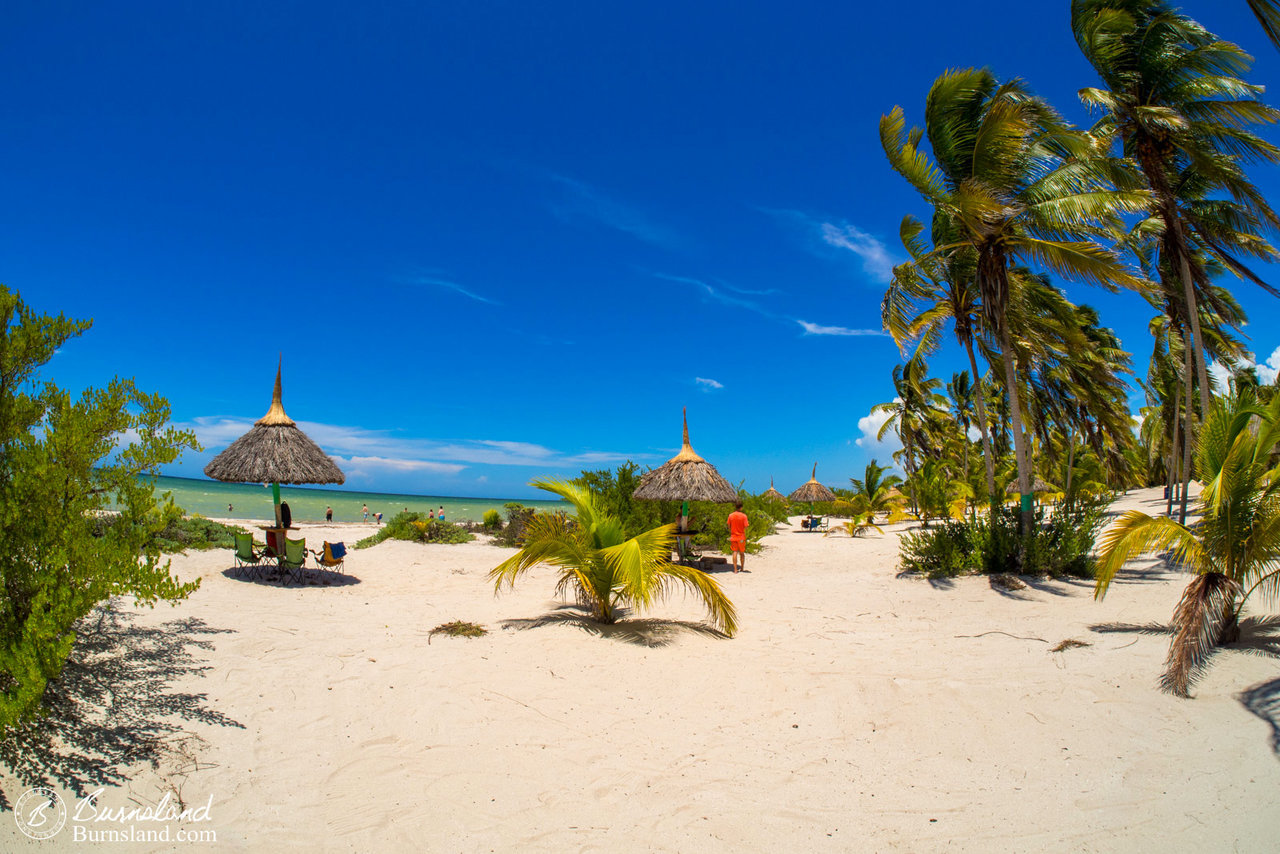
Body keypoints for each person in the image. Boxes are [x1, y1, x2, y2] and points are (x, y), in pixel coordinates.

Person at [727, 501, 749, 573]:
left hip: (733, 536)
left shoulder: (731, 515)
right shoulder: (744, 516)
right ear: (741, 507)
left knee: (735, 552)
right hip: (741, 537)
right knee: (742, 553)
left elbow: (729, 526)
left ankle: (735, 569)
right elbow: (746, 527)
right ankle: (742, 568)